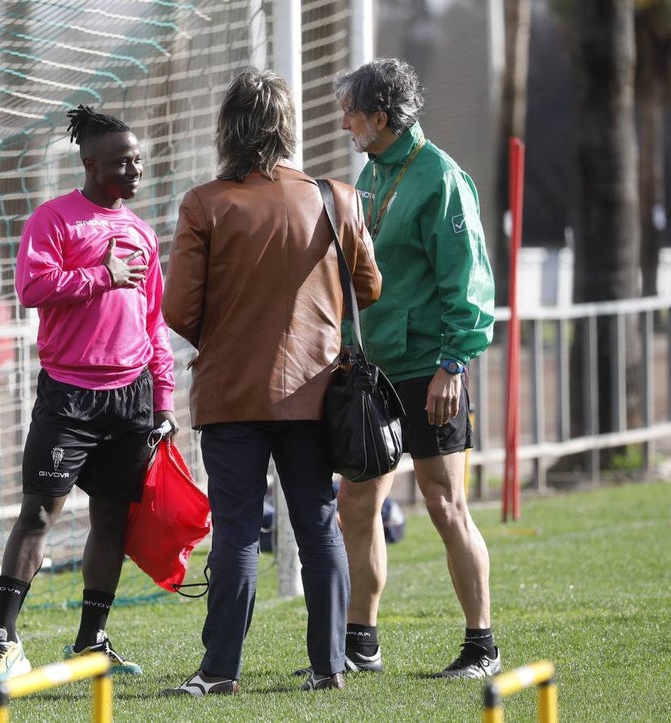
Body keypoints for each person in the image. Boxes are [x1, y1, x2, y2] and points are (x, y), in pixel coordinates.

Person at [160, 68, 382, 696]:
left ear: (228, 130)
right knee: (317, 525)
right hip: (315, 393)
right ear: (287, 128)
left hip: (231, 393)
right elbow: (369, 288)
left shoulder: (205, 203)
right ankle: (330, 665)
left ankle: (219, 671)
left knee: (235, 531)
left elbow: (178, 308)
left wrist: (230, 339)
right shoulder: (337, 196)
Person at [0, 105, 177, 684]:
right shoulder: (54, 220)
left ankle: (92, 642)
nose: (134, 169)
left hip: (132, 397)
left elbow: (154, 320)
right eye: (121, 161)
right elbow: (31, 287)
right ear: (90, 164)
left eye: (137, 159)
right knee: (38, 513)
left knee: (112, 518)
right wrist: (100, 276)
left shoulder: (141, 231)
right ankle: (4, 640)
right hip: (69, 395)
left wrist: (163, 399)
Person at [331, 57, 499, 679]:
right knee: (356, 502)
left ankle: (481, 645)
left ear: (381, 116)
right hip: (373, 371)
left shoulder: (443, 178)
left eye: (352, 111)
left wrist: (453, 365)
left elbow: (468, 283)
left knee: (443, 502)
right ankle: (361, 641)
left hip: (430, 369)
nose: (344, 121)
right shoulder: (370, 176)